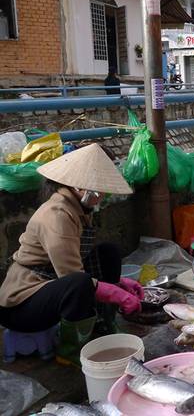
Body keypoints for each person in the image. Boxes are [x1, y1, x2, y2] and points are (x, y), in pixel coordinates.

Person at [0, 144, 142, 364]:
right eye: (100, 190)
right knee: (80, 283)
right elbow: (71, 277)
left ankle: (104, 322)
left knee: (108, 253)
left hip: (50, 282)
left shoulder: (76, 208)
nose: (102, 196)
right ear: (80, 187)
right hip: (21, 305)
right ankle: (71, 349)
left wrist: (120, 283)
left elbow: (73, 263)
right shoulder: (58, 214)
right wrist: (118, 294)